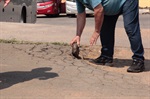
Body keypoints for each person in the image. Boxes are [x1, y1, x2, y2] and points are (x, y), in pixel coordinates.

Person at [70, 0, 145, 73]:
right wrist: (78, 35)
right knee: (105, 29)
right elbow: (81, 14)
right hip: (111, 7)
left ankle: (139, 59)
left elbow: (99, 10)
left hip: (128, 2)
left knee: (130, 28)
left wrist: (96, 32)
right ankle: (106, 56)